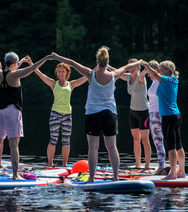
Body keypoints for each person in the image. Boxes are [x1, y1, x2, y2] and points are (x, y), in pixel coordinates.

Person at [51, 46, 144, 182]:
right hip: (110, 114)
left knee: (93, 147)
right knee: (112, 146)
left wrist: (56, 56)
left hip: (93, 114)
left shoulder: (90, 73)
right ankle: (116, 177)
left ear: (97, 61)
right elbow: (127, 66)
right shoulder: (114, 74)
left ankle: (92, 178)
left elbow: (71, 62)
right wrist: (140, 62)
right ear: (107, 62)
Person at [0, 52, 52, 179]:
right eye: (16, 63)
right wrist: (46, 57)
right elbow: (33, 68)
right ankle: (14, 175)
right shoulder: (15, 75)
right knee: (13, 145)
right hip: (12, 111)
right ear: (14, 64)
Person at [34, 63, 87, 167]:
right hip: (55, 114)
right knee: (53, 140)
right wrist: (32, 64)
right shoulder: (54, 83)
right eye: (58, 71)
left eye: (63, 71)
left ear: (67, 72)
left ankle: (64, 164)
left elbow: (86, 77)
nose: (60, 73)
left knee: (66, 141)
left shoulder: (71, 84)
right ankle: (50, 163)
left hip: (67, 114)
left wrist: (98, 68)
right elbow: (41, 75)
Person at [142, 60, 185, 180]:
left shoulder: (166, 80)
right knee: (178, 145)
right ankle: (181, 171)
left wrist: (146, 66)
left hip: (168, 116)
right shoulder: (174, 80)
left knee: (171, 145)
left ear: (166, 70)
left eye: (160, 69)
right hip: (176, 115)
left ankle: (173, 174)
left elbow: (155, 75)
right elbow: (155, 76)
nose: (159, 71)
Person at [119, 58, 152, 169]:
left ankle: (147, 166)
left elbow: (144, 72)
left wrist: (146, 65)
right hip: (133, 112)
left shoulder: (140, 77)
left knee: (144, 139)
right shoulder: (128, 77)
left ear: (138, 67)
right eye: (129, 66)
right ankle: (138, 165)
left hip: (143, 112)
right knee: (136, 139)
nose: (131, 68)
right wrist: (105, 66)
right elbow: (116, 72)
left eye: (134, 65)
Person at [147, 60, 166, 174]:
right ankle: (161, 165)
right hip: (153, 113)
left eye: (149, 72)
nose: (148, 74)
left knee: (160, 140)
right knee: (158, 140)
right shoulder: (154, 82)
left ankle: (162, 166)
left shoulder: (160, 80)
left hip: (159, 113)